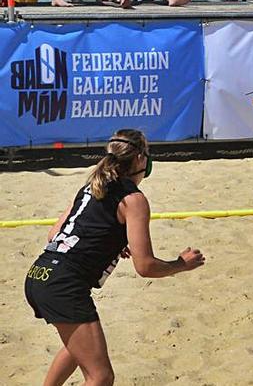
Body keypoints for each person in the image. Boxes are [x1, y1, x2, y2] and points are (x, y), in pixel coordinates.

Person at [24, 129, 206, 386]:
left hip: (38, 275)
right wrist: (180, 264)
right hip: (64, 284)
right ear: (141, 160)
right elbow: (145, 267)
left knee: (79, 350)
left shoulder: (91, 186)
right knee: (101, 376)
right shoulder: (133, 198)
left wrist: (111, 240)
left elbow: (55, 234)